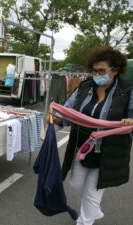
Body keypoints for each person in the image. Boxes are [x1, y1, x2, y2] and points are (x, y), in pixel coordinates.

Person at [51, 46, 133, 225]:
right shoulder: (86, 86)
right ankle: (94, 210)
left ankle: (85, 220)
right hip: (82, 147)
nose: (97, 74)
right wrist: (57, 119)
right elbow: (69, 110)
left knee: (92, 193)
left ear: (115, 70)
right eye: (94, 71)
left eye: (102, 71)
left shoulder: (127, 90)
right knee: (76, 184)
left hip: (107, 152)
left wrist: (129, 121)